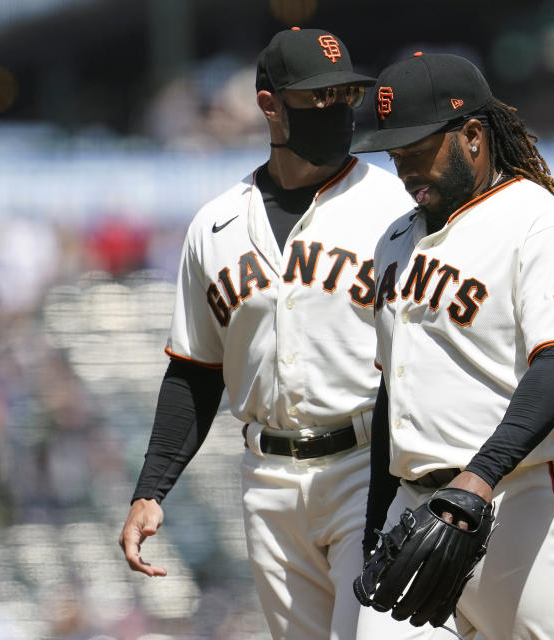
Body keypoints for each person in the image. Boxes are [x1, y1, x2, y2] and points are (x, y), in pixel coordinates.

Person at [117, 27, 413, 640]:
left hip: (369, 463)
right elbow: (196, 368)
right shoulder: (216, 225)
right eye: (316, 98)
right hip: (267, 477)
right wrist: (151, 489)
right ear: (269, 104)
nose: (335, 111)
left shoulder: (396, 206)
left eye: (344, 97)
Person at [349, 52, 554, 640]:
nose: (407, 172)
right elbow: (395, 393)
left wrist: (481, 477)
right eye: (397, 158)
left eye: (419, 154)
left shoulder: (540, 223)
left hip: (523, 503)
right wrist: (375, 524)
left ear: (472, 135)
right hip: (416, 505)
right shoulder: (393, 241)